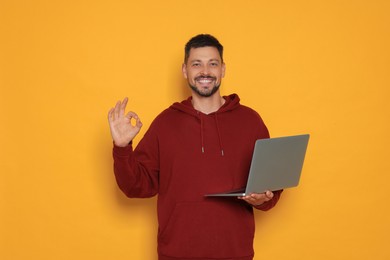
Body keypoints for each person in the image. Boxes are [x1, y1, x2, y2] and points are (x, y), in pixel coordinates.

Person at [108, 34, 282, 260]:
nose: (205, 71)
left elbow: (271, 188)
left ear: (223, 70)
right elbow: (135, 186)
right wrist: (122, 148)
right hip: (177, 254)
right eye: (196, 64)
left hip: (235, 254)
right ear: (185, 70)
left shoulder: (250, 121)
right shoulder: (165, 123)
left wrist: (265, 197)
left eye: (213, 63)